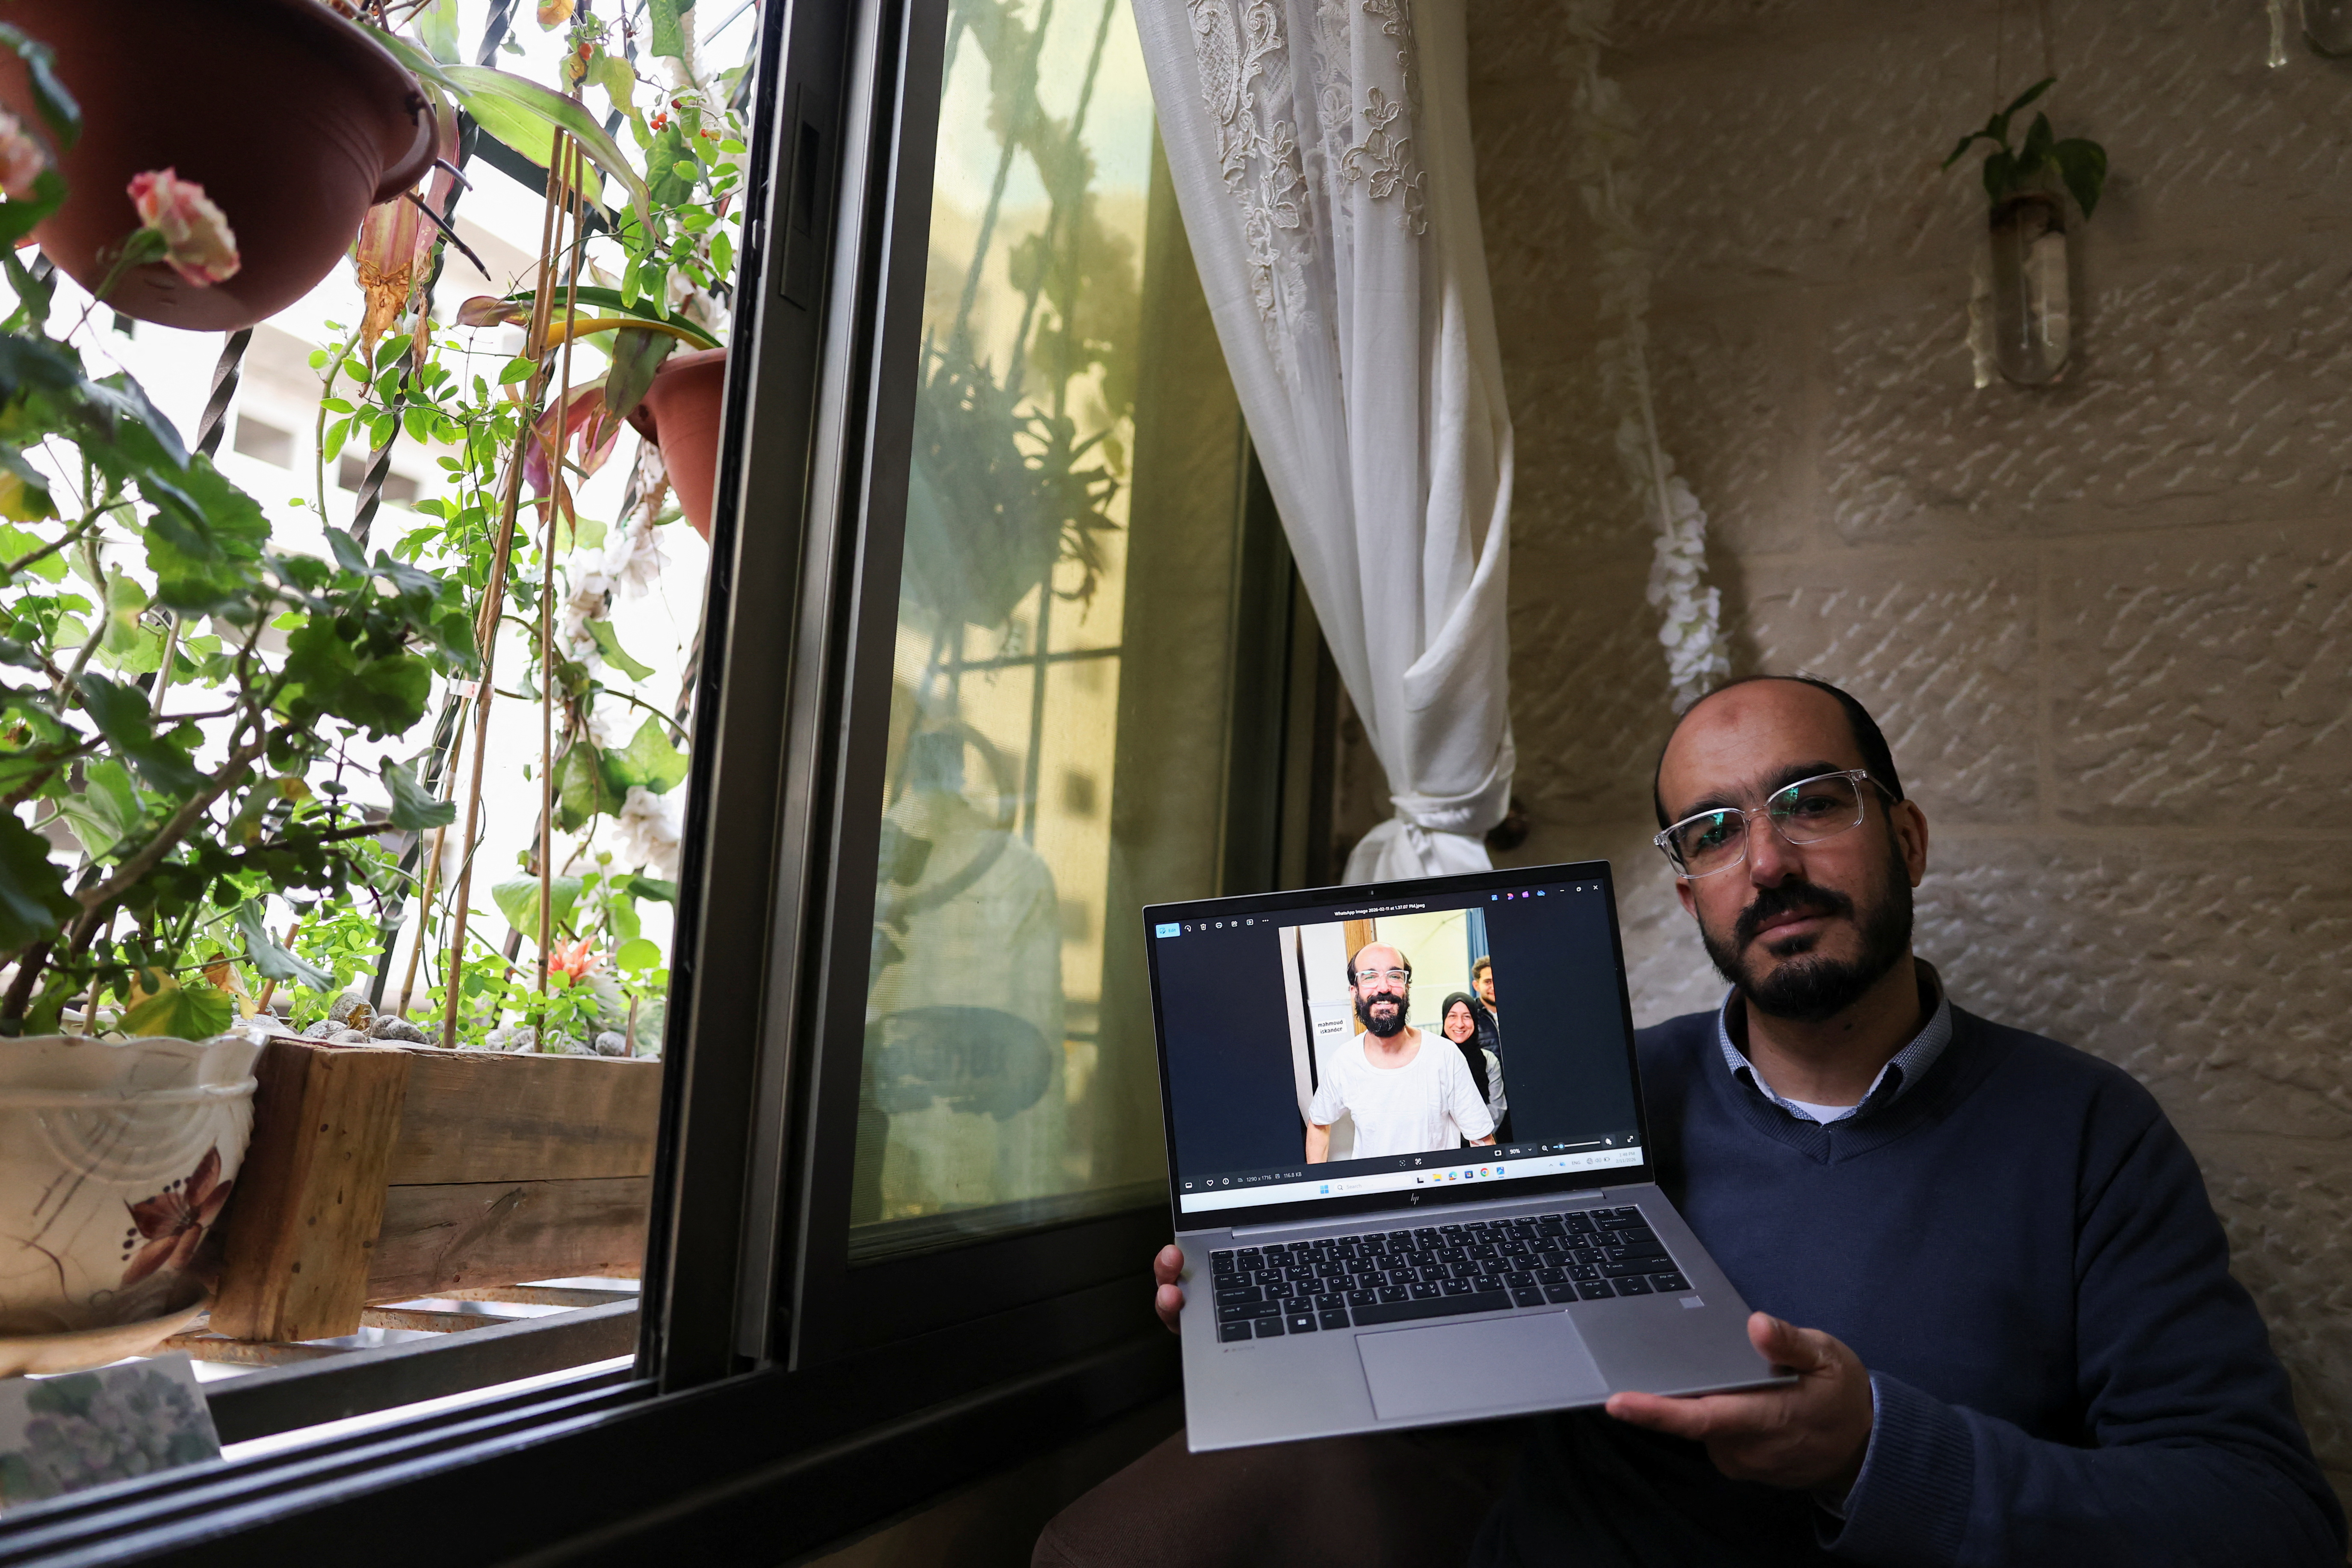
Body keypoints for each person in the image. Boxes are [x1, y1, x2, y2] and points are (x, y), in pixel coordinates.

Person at [1041, 675, 2344, 1568]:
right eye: (1713, 832)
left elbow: (2263, 1517)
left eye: (1812, 802)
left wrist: (1875, 1448)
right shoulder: (1606, 1095)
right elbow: (1451, 1361)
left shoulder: (2086, 1135)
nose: (1765, 860)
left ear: (1906, 834)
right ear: (1688, 894)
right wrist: (1295, 1299)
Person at [1304, 944, 1496, 1163]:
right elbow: (1319, 1123)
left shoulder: (1445, 1055)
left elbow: (1482, 1140)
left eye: (1394, 976)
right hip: (1374, 1193)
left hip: (1437, 1191)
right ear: (1354, 992)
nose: (1384, 987)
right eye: (1369, 977)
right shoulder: (1344, 1061)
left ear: (1407, 988)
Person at [1439, 991, 1508, 1143]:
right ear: (1444, 1019)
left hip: (1480, 1142)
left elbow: (1497, 1109)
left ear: (1475, 1021)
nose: (1460, 1024)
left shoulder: (1489, 1061)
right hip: (1442, 1146)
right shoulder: (1433, 1060)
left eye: (1467, 1016)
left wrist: (1471, 1135)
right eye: (1452, 1016)